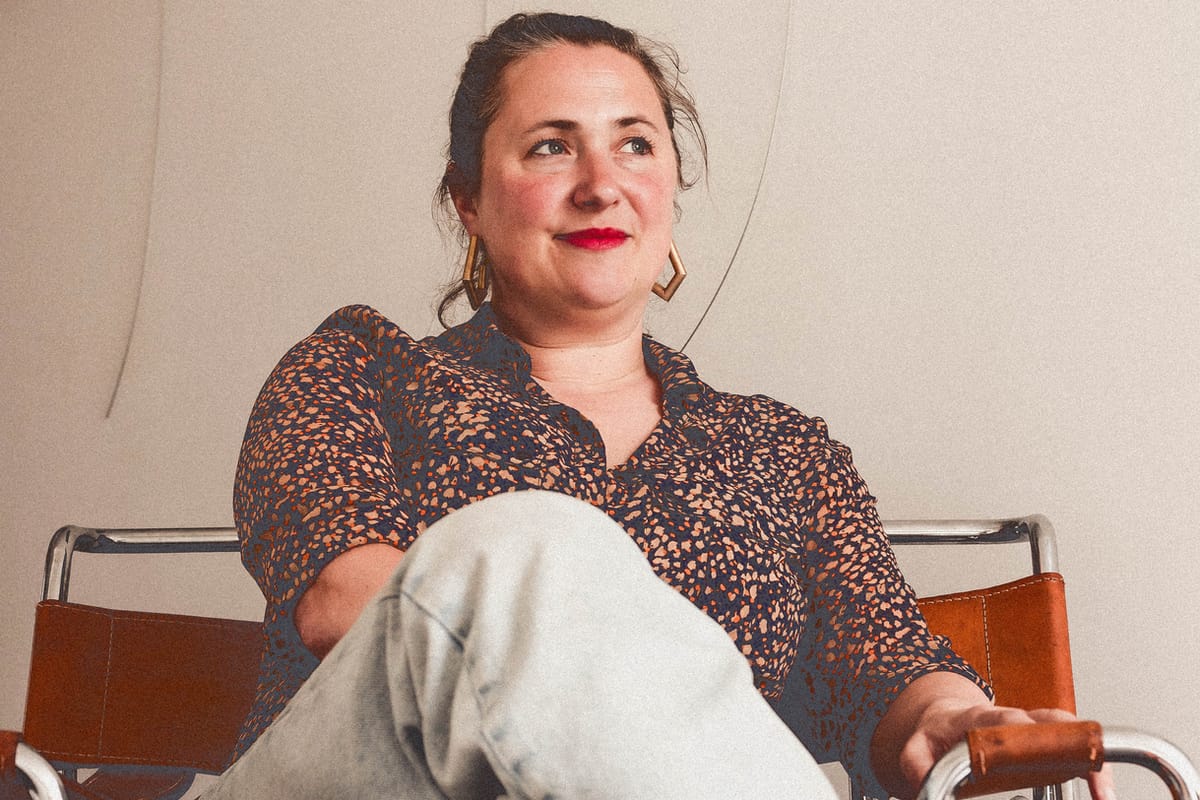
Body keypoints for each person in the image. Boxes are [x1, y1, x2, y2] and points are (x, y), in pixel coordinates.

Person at [207, 12, 1112, 800]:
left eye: (635, 143)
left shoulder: (781, 450)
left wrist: (952, 712)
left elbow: (883, 666)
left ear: (671, 187)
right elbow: (348, 607)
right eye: (551, 145)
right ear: (469, 201)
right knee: (523, 549)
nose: (602, 182)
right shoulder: (360, 368)